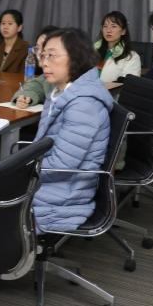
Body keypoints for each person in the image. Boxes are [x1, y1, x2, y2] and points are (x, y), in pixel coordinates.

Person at [31, 28, 113, 232]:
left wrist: (21, 172)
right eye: (43, 55)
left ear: (76, 57)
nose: (44, 63)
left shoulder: (84, 104)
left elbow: (61, 165)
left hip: (64, 196)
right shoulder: (63, 91)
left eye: (52, 55)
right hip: (50, 183)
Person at [11, 24, 59, 108]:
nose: (39, 53)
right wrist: (25, 97)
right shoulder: (45, 76)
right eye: (37, 48)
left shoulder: (74, 79)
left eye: (44, 47)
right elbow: (32, 87)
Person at [94, 11, 141, 83]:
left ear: (123, 31)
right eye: (105, 26)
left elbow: (129, 85)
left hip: (110, 90)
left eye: (113, 26)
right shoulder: (93, 51)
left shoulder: (132, 57)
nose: (108, 30)